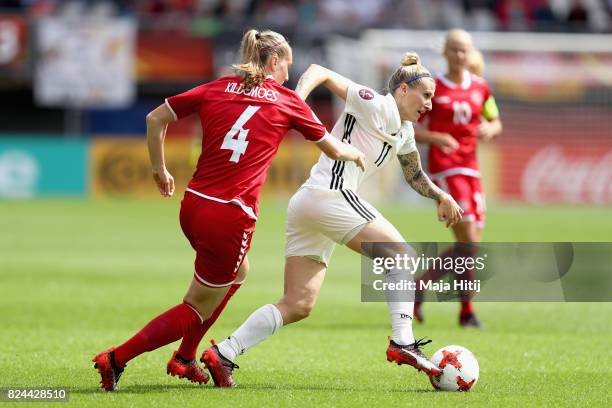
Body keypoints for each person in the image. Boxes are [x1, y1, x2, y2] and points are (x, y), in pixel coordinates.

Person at [92, 28, 366, 391]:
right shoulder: (286, 101)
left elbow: (154, 119)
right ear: (273, 62)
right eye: (287, 66)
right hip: (229, 216)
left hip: (194, 206)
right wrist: (356, 152)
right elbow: (332, 149)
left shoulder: (217, 87)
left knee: (238, 274)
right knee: (196, 306)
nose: (288, 74)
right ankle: (115, 359)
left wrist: (159, 170)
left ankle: (186, 358)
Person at [200, 52, 464, 387]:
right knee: (403, 256)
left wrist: (440, 195)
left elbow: (414, 175)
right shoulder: (374, 102)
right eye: (425, 95)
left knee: (297, 304)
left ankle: (224, 353)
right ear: (402, 91)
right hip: (331, 194)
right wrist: (295, 101)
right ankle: (403, 342)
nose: (429, 103)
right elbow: (319, 70)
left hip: (309, 203)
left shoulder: (406, 131)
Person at [413, 30, 502, 328]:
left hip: (472, 169)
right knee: (469, 242)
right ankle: (466, 311)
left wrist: (492, 129)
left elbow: (494, 119)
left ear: (471, 51)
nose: (460, 55)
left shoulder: (481, 87)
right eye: (454, 50)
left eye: (464, 50)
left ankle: (422, 288)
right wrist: (436, 136)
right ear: (446, 53)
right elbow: (409, 128)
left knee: (470, 246)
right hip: (445, 169)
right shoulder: (432, 87)